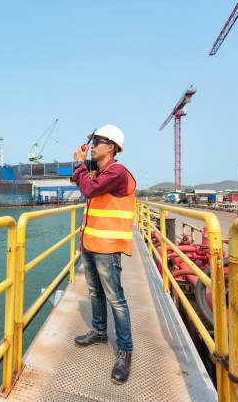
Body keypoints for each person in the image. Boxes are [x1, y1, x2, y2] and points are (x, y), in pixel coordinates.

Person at [71, 124, 136, 385]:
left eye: (97, 141)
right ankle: (99, 331)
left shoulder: (117, 172)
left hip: (108, 247)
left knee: (115, 299)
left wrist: (78, 164)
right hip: (90, 243)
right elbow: (90, 199)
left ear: (112, 147)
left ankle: (125, 351)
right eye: (92, 141)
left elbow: (86, 190)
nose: (92, 145)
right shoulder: (99, 172)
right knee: (93, 292)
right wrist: (81, 240)